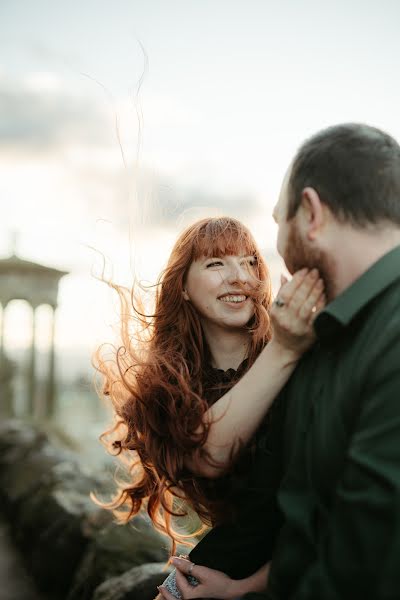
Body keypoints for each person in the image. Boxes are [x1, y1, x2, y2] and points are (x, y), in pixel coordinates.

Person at [158, 123, 400, 600]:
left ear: (310, 214)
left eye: (276, 221)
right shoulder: (335, 334)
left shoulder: (379, 340)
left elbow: (357, 561)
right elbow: (313, 521)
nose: (248, 274)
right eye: (216, 264)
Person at [94, 216, 325, 598]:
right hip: (225, 568)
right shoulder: (168, 389)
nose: (240, 277)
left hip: (296, 572)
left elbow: (329, 510)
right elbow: (207, 453)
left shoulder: (300, 357)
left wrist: (241, 590)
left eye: (250, 261)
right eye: (216, 263)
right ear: (182, 287)